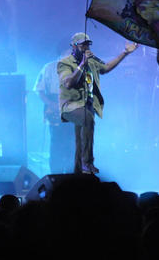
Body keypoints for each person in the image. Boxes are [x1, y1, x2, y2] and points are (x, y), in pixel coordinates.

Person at [58, 32, 137, 175]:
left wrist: (125, 53)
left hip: (87, 105)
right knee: (87, 119)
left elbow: (106, 68)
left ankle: (79, 173)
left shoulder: (92, 61)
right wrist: (82, 64)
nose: (86, 47)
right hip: (70, 106)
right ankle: (87, 162)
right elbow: (69, 83)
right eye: (83, 45)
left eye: (88, 44)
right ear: (74, 46)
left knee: (80, 141)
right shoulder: (65, 63)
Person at [34, 44, 74, 174]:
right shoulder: (49, 67)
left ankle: (70, 175)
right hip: (54, 108)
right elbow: (38, 89)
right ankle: (56, 175)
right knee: (56, 142)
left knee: (71, 143)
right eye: (69, 51)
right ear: (62, 52)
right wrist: (50, 104)